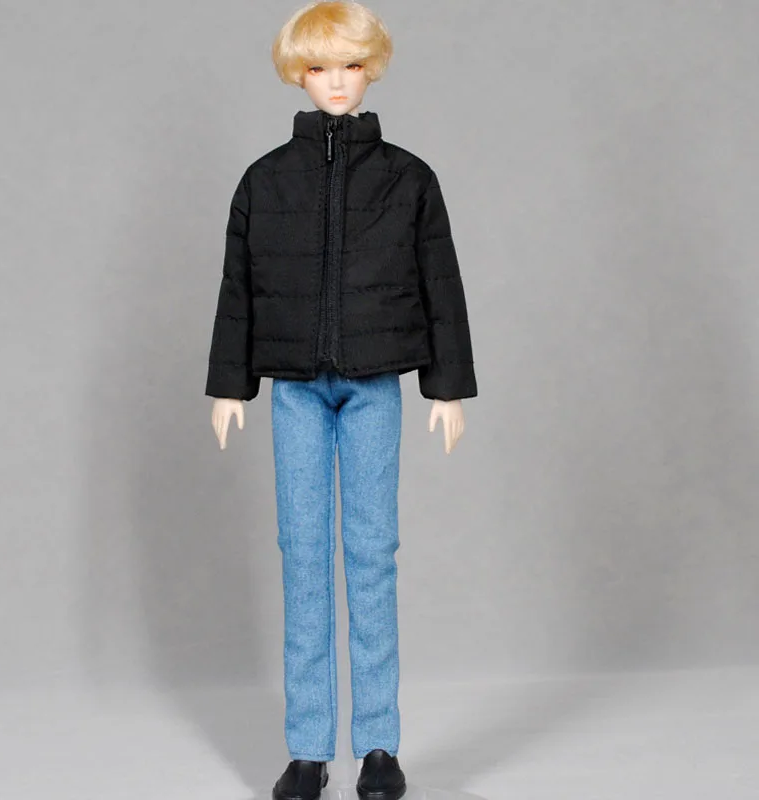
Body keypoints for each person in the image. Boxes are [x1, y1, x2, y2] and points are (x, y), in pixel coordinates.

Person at [205, 2, 477, 798]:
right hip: (294, 389)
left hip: (373, 385)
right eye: (320, 67)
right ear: (297, 72)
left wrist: (447, 388)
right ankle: (308, 748)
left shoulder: (408, 179)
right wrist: (229, 386)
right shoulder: (264, 181)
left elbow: (441, 285)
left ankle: (379, 746)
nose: (335, 82)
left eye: (351, 65)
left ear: (372, 69)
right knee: (302, 557)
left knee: (371, 556)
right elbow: (237, 289)